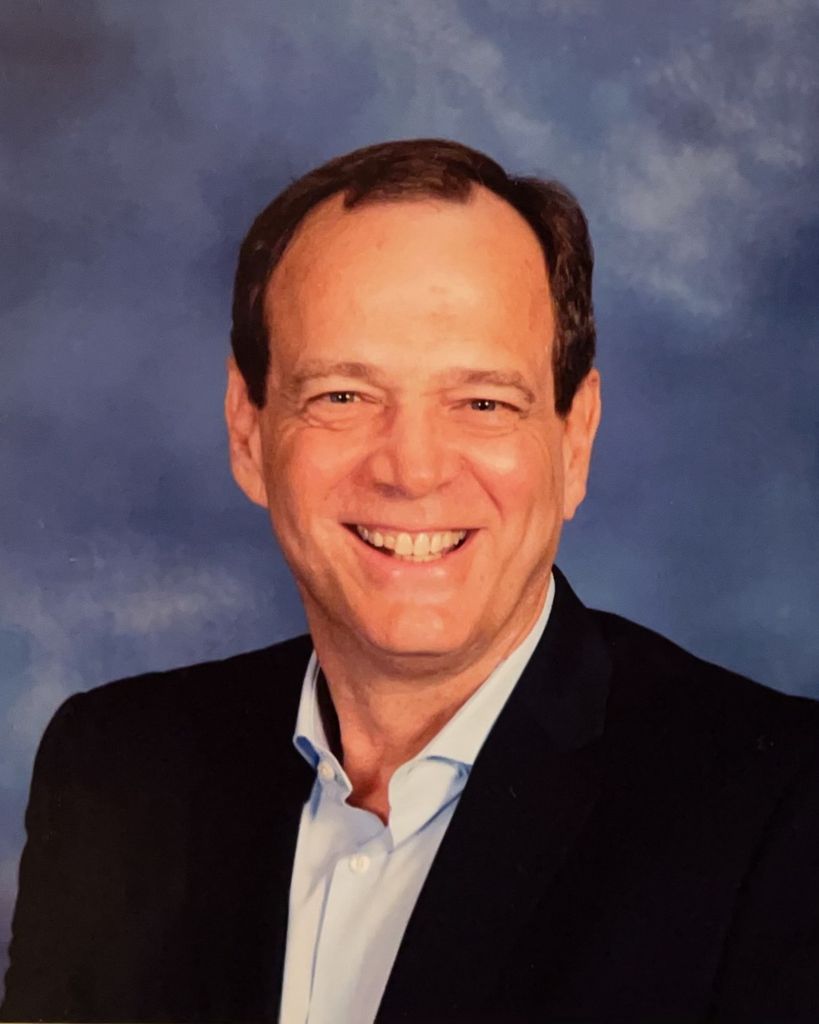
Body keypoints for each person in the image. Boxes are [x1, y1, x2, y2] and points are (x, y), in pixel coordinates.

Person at [3, 138, 819, 1024]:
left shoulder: (781, 815)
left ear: (573, 440)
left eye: (483, 403)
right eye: (342, 397)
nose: (413, 469)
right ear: (247, 430)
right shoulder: (116, 768)